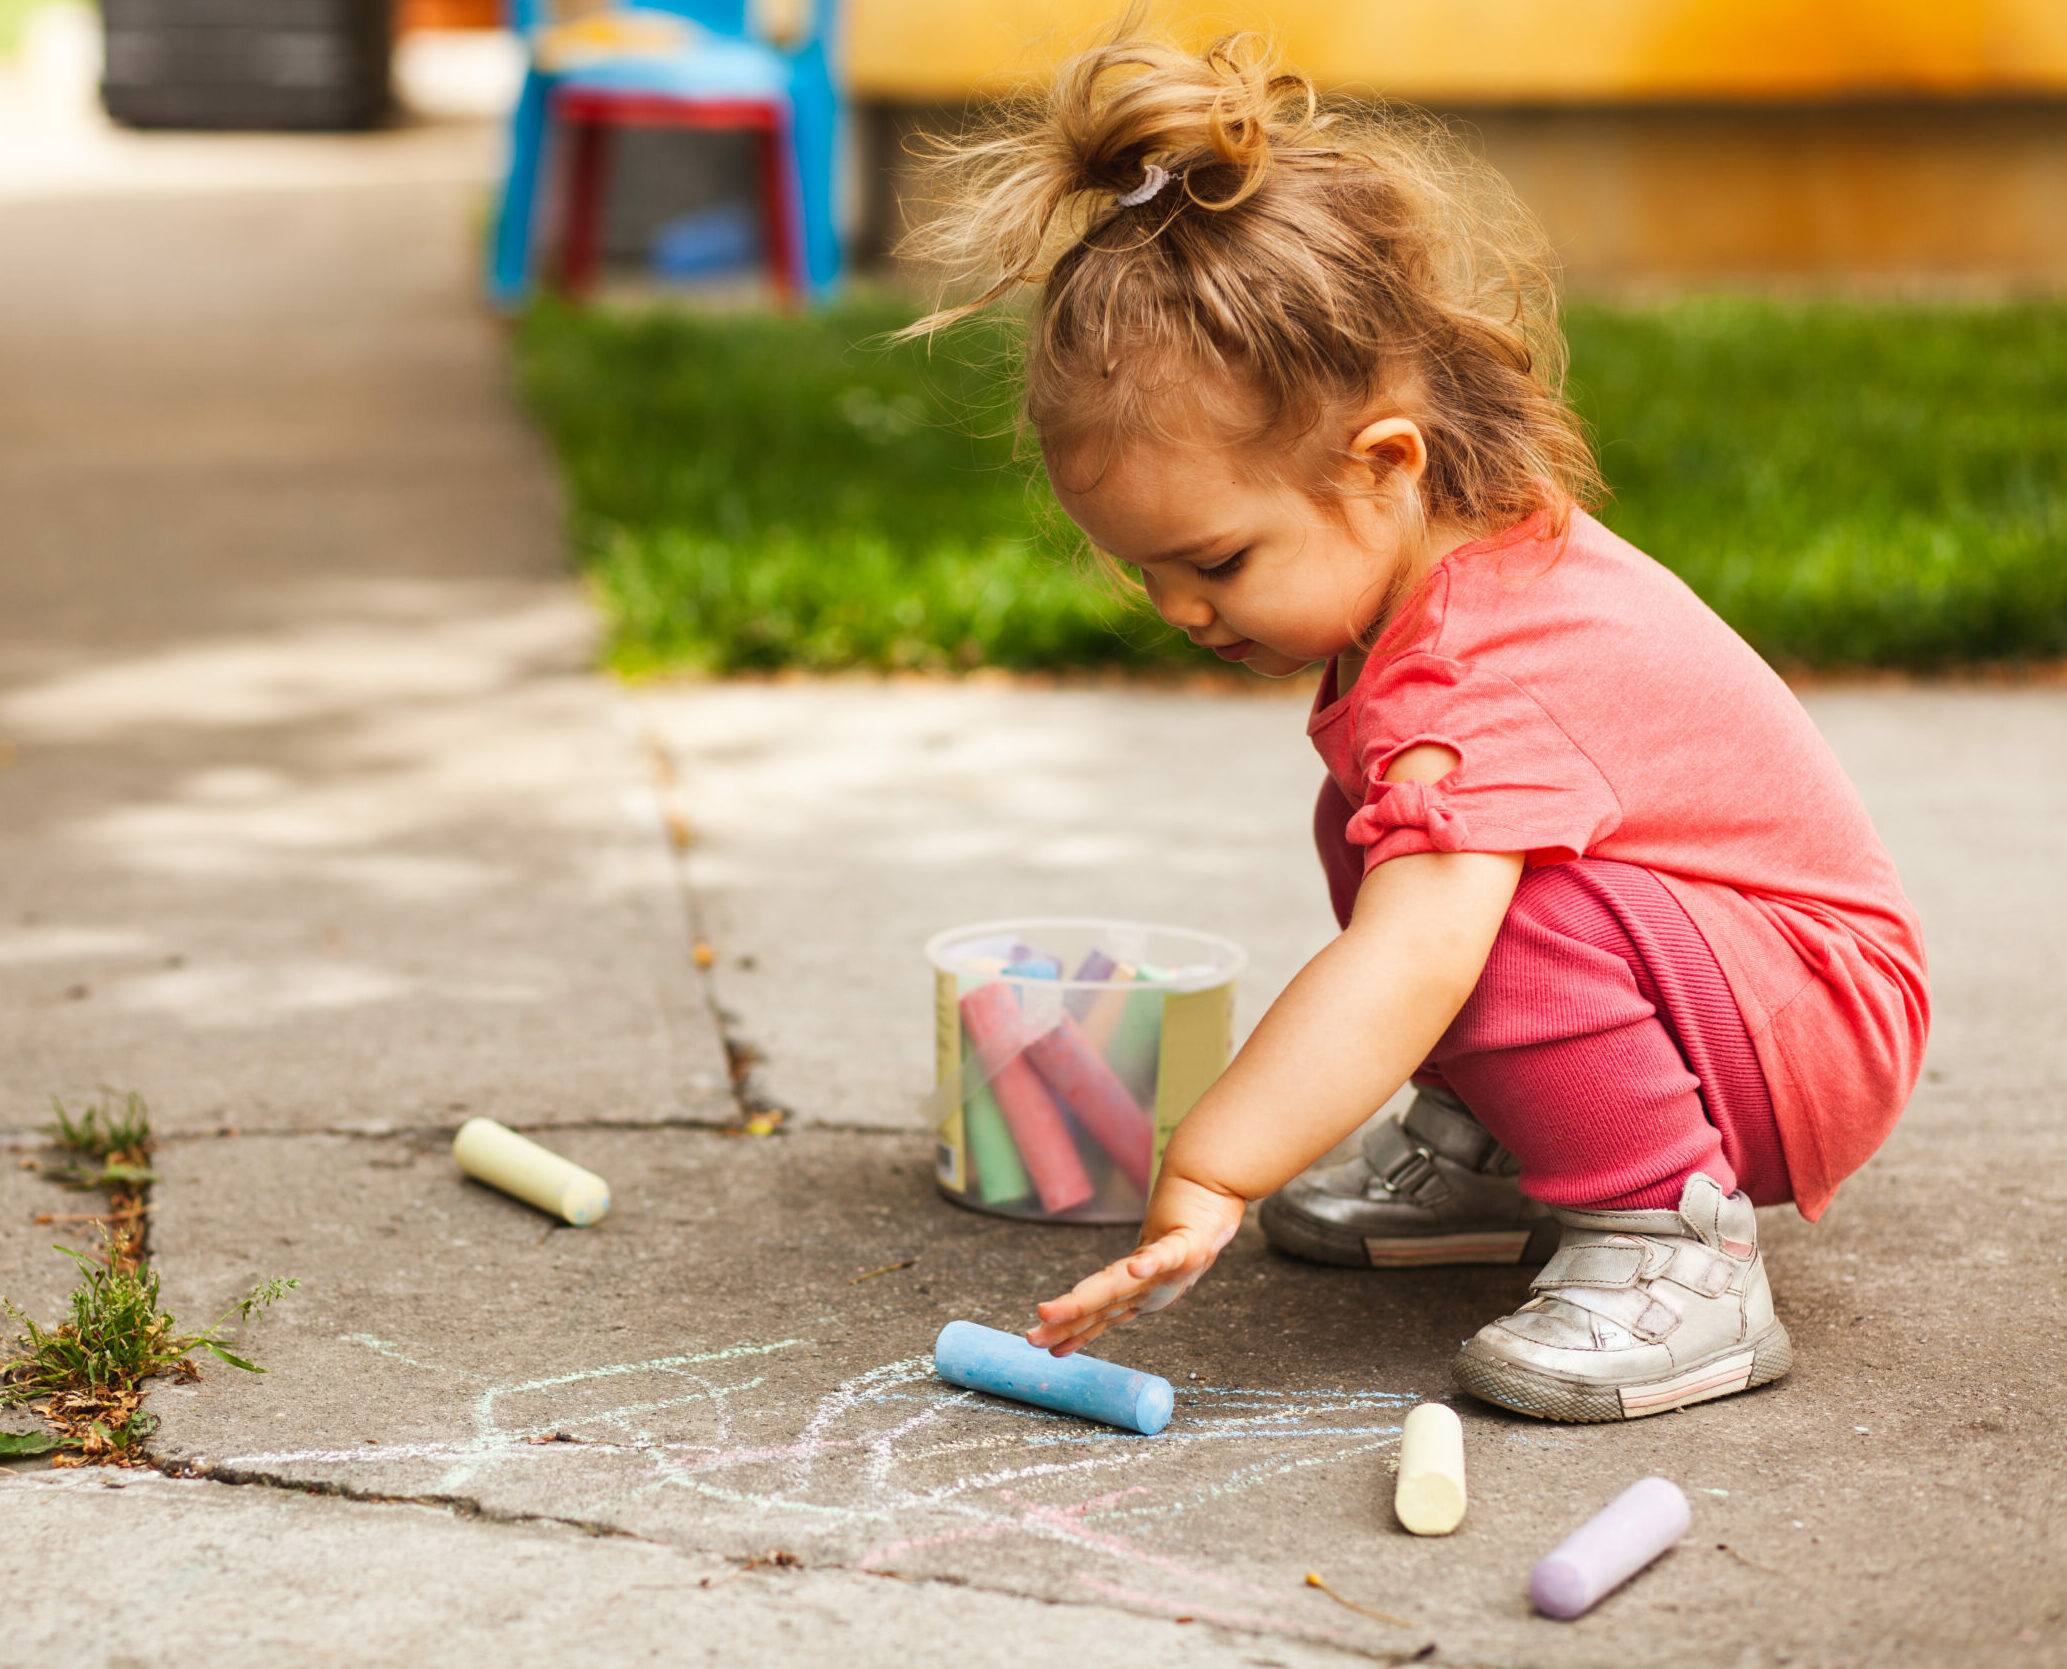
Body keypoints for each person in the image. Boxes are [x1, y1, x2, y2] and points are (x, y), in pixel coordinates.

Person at [902, 31, 1928, 1421]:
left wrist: (1212, 1167)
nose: (1181, 608)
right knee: (1386, 828)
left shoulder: (1473, 672)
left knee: (1476, 911)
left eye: (1216, 561)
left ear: (1386, 463)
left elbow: (1409, 965)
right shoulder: (1439, 572)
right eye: (1143, 569)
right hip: (1746, 988)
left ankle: (1672, 1247)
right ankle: (1508, 1146)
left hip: (1807, 1020)